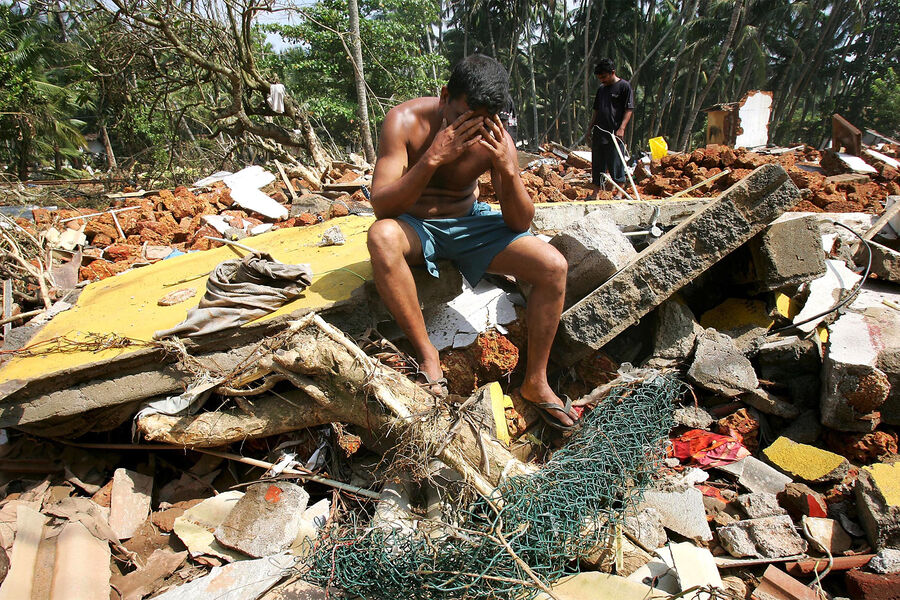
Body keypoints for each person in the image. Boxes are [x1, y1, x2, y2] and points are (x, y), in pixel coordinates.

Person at [366, 54, 578, 430]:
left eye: (484, 118)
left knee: (553, 265)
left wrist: (508, 170)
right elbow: (381, 205)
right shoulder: (404, 121)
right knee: (381, 237)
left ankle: (536, 381)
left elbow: (518, 221)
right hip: (415, 225)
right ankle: (428, 356)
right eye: (465, 114)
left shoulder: (496, 137)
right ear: (445, 95)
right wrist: (431, 159)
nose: (473, 126)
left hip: (470, 225)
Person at [587, 58, 635, 198]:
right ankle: (596, 192)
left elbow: (629, 109)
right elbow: (596, 111)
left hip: (614, 132)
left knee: (615, 161)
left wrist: (622, 128)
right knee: (597, 163)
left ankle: (620, 191)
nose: (602, 80)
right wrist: (590, 129)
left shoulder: (624, 87)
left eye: (604, 77)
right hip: (599, 131)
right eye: (599, 77)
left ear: (612, 72)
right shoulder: (601, 89)